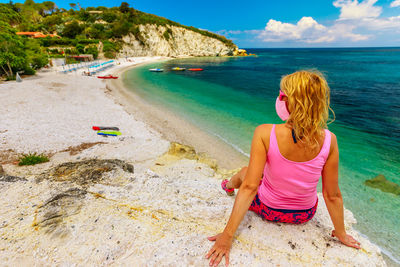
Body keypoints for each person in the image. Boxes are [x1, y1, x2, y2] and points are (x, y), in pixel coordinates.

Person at [205, 70, 361, 267]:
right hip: (304, 214)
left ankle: (227, 186)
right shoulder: (330, 140)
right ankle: (228, 185)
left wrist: (227, 236)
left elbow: (250, 188)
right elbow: (332, 195)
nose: (280, 98)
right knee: (260, 173)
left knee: (246, 173)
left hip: (270, 209)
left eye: (282, 94)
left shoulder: (264, 132)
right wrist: (341, 233)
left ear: (290, 101)